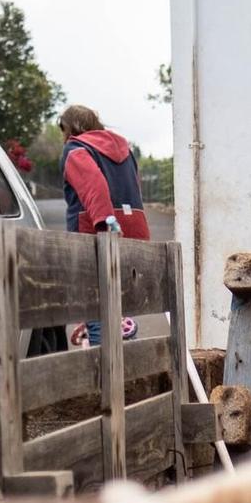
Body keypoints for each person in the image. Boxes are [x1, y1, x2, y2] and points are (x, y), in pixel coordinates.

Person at [59, 105, 149, 345]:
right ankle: (129, 366)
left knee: (96, 303)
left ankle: (107, 377)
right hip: (132, 231)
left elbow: (93, 184)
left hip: (98, 234)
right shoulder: (125, 150)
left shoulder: (76, 148)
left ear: (67, 128)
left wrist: (105, 222)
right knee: (118, 304)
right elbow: (135, 189)